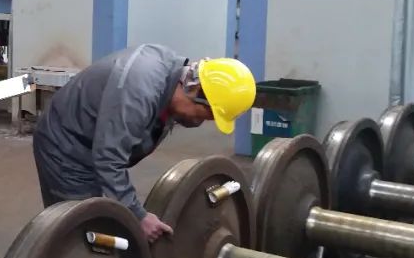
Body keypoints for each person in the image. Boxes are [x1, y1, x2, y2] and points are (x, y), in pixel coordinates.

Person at [32, 46, 256, 242]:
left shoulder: (175, 77)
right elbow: (109, 159)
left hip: (94, 140)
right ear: (194, 90)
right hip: (65, 146)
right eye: (202, 115)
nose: (198, 122)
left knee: (103, 215)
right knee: (83, 231)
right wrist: (139, 216)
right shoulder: (139, 92)